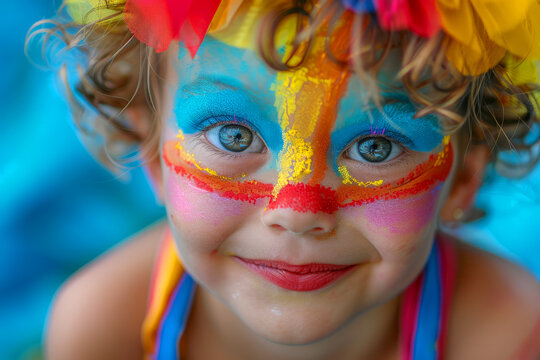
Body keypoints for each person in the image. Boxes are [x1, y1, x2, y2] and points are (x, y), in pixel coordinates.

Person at [29, 0, 540, 358]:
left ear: (467, 176)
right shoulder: (103, 327)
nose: (296, 211)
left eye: (375, 147)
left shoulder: (507, 336)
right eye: (232, 135)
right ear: (153, 156)